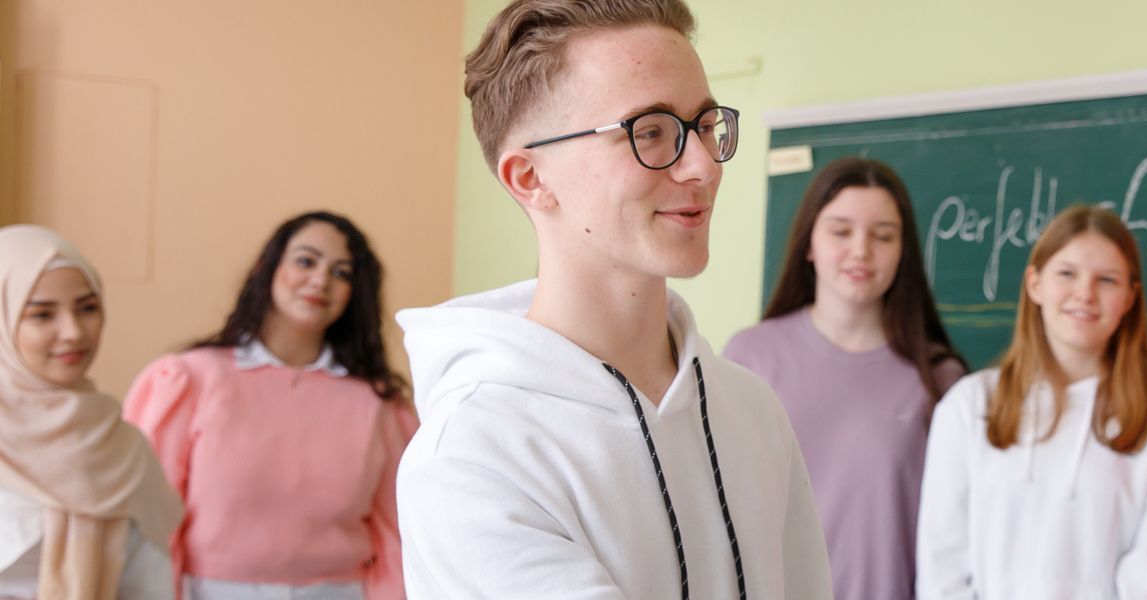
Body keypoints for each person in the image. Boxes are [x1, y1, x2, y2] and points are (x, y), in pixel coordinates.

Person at [393, 0, 831, 597]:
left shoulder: (751, 409)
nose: (703, 166)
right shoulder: (471, 455)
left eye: (705, 125)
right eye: (650, 132)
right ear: (530, 179)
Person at [917, 205, 1147, 599]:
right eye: (1067, 274)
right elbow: (942, 568)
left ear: (1129, 297)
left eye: (1107, 280)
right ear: (1035, 284)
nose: (1084, 294)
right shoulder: (969, 407)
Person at [123, 211, 415, 599]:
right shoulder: (190, 379)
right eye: (306, 261)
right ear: (267, 267)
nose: (321, 280)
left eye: (342, 273)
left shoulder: (379, 405)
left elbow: (399, 533)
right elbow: (147, 520)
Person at [726, 157, 967, 600]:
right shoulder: (749, 357)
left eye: (883, 236)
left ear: (903, 251)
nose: (861, 251)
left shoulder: (940, 380)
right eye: (841, 231)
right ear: (809, 244)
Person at [0, 224, 181, 599]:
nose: (73, 332)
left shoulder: (122, 449)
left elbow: (149, 586)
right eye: (42, 315)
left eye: (87, 308)